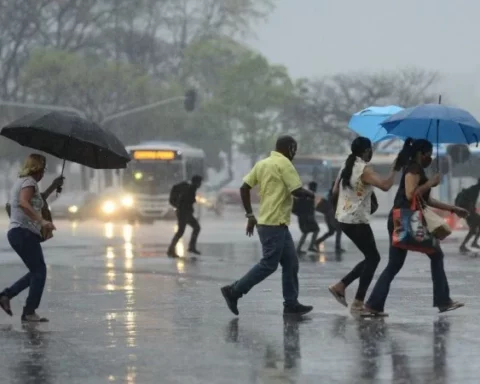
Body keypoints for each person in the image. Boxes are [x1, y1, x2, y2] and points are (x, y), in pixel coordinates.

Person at [364, 138, 468, 316]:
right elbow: (410, 194)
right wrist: (429, 183)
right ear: (422, 153)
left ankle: (374, 304)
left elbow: (426, 200)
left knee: (395, 264)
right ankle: (443, 300)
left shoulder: (415, 168)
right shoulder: (413, 169)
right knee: (436, 254)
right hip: (405, 219)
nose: (430, 158)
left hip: (401, 218)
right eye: (429, 154)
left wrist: (453, 209)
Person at [221, 135, 314, 316]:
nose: (294, 153)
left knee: (291, 263)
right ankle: (234, 291)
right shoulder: (285, 164)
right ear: (290, 148)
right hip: (274, 224)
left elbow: (244, 187)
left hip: (271, 222)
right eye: (294, 149)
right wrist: (313, 195)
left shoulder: (262, 164)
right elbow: (296, 190)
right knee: (268, 264)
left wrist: (250, 214)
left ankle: (291, 304)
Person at [328, 137, 399, 314]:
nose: (372, 152)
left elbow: (335, 191)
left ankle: (341, 287)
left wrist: (342, 209)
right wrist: (394, 168)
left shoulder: (347, 164)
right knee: (373, 258)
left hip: (344, 218)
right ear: (367, 151)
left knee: (371, 257)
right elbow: (385, 185)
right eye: (371, 149)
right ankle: (357, 301)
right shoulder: (363, 169)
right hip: (356, 220)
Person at [0, 154, 64, 322]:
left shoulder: (26, 182)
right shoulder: (29, 182)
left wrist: (53, 186)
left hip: (21, 234)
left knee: (37, 272)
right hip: (23, 233)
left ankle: (6, 295)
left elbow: (37, 199)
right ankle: (29, 312)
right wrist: (42, 221)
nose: (43, 172)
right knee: (40, 271)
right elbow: (24, 202)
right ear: (37, 168)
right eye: (43, 169)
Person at [167, 175, 203, 258]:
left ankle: (190, 247)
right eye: (200, 182)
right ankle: (171, 250)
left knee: (195, 228)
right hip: (184, 213)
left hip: (185, 213)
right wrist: (183, 209)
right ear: (196, 182)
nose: (200, 184)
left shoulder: (190, 188)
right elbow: (186, 201)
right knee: (182, 231)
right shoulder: (190, 189)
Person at [315, 181, 344, 253]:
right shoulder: (337, 193)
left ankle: (318, 241)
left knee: (331, 231)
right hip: (333, 215)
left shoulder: (329, 193)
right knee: (339, 230)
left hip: (327, 215)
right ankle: (337, 247)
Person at [295, 181, 320, 254]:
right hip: (307, 217)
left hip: (303, 217)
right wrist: (310, 216)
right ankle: (309, 247)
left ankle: (300, 248)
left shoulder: (305, 194)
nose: (316, 189)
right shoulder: (309, 195)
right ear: (313, 187)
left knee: (306, 232)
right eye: (315, 187)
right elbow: (309, 207)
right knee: (314, 230)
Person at [456, 179, 480, 253]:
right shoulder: (475, 190)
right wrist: (471, 211)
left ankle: (464, 245)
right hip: (467, 211)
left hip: (466, 211)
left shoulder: (474, 189)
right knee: (473, 229)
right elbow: (470, 202)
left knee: (473, 230)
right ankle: (472, 243)